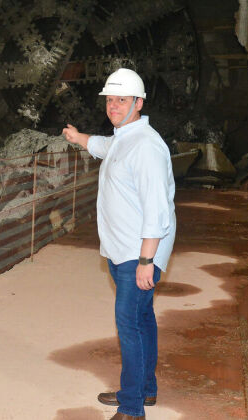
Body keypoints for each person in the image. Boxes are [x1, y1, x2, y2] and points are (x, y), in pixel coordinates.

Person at [62, 68, 176, 420]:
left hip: (137, 253)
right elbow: (103, 146)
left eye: (121, 100)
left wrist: (146, 261)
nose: (113, 106)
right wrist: (79, 137)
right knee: (142, 319)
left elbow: (157, 211)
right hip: (122, 248)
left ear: (139, 102)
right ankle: (144, 390)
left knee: (129, 324)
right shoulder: (124, 137)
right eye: (110, 100)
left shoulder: (146, 147)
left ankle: (132, 408)